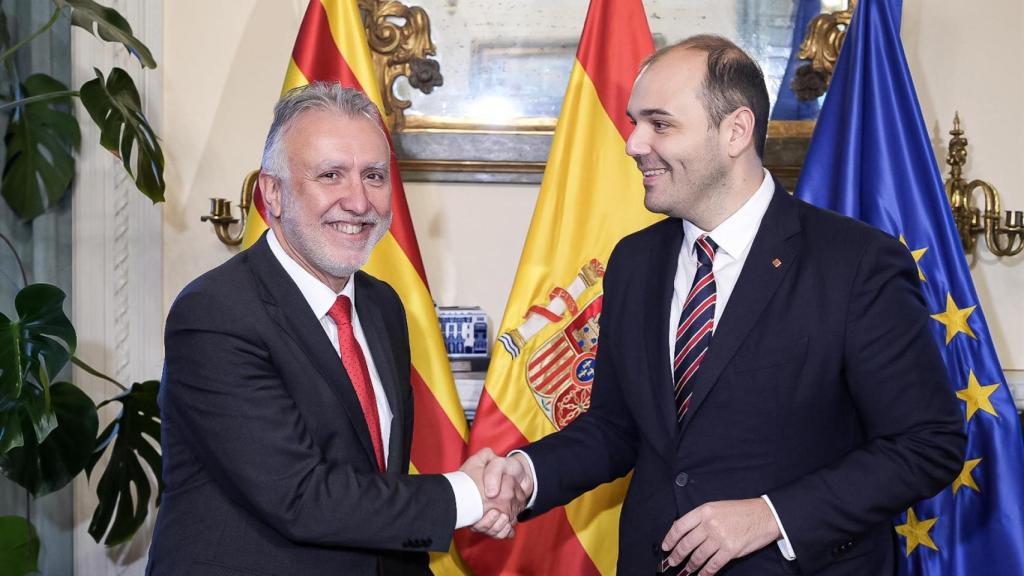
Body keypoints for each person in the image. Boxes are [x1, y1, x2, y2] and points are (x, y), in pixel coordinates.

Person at [477, 35, 965, 575]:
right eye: (635, 122)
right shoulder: (635, 261)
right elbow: (616, 426)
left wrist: (772, 516)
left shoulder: (855, 263)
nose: (633, 143)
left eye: (660, 124)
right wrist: (527, 474)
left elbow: (927, 443)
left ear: (735, 131)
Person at [148, 82, 520, 576]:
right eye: (330, 175)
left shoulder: (383, 306)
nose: (359, 202)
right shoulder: (216, 313)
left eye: (374, 175)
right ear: (273, 193)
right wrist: (469, 496)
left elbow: (375, 482)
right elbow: (299, 496)